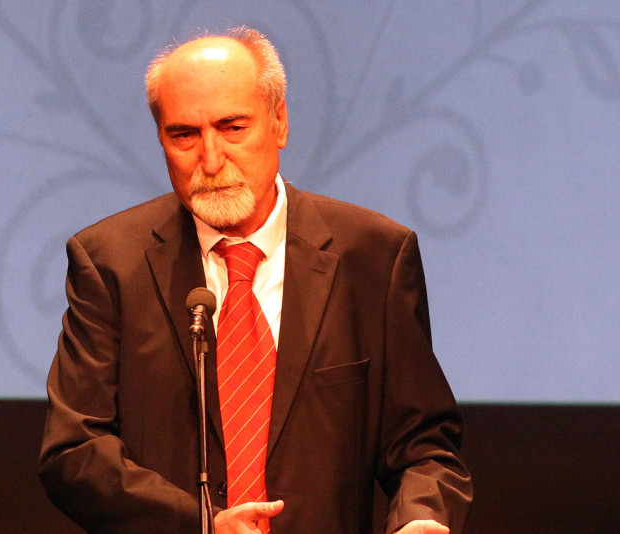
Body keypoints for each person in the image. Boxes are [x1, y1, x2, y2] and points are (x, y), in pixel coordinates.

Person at [39, 26, 472, 534]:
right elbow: (74, 451)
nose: (211, 159)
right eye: (184, 135)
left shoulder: (373, 257)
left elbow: (423, 445)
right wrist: (202, 525)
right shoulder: (110, 262)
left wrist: (420, 516)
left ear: (279, 121)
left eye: (232, 127)